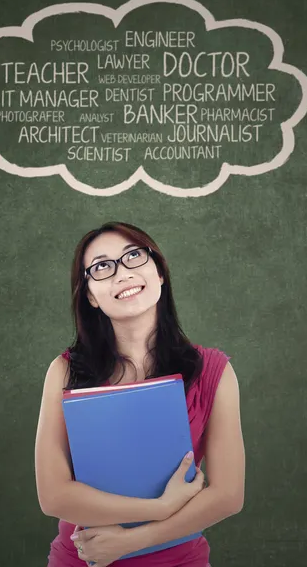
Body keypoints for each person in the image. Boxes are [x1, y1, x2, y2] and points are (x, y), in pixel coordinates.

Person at [35, 221, 245, 567]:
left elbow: (228, 496)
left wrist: (132, 540)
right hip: (82, 559)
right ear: (90, 295)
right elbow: (53, 495)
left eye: (133, 256)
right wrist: (157, 507)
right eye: (102, 266)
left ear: (159, 272)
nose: (122, 273)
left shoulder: (213, 370)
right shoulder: (64, 370)